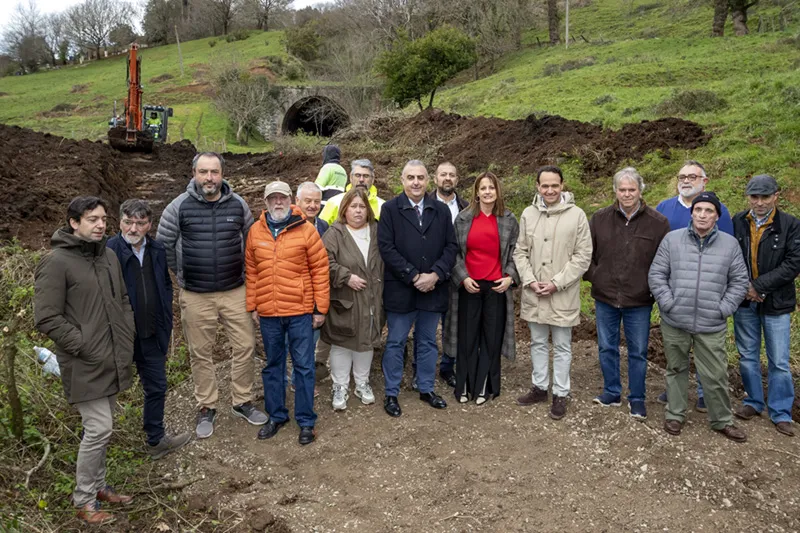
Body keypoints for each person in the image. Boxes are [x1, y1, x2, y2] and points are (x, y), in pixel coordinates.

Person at [34, 196, 136, 525]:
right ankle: (84, 499)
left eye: (103, 219)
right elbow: (46, 317)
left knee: (104, 428)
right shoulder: (57, 261)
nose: (101, 225)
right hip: (83, 361)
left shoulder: (107, 256)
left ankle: (99, 486)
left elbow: (121, 300)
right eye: (92, 219)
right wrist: (82, 344)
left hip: (111, 356)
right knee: (99, 427)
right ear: (74, 223)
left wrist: (126, 333)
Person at [157, 152, 268, 440]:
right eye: (203, 172)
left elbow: (250, 242)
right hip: (196, 294)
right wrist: (182, 272)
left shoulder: (238, 204)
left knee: (245, 346)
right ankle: (207, 405)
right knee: (200, 352)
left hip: (235, 290)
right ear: (194, 173)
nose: (209, 178)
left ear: (222, 174)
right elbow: (164, 245)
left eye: (214, 172)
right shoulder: (178, 208)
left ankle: (242, 401)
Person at [648, 192, 749, 442]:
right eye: (698, 210)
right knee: (676, 369)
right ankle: (675, 414)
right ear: (692, 213)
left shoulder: (729, 244)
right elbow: (657, 274)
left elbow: (739, 282)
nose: (703, 215)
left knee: (715, 374)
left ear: (717, 216)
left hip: (711, 323)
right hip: (675, 321)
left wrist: (723, 308)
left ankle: (722, 420)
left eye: (709, 211)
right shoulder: (672, 240)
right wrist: (668, 303)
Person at [245, 181, 329, 445]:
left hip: (300, 312)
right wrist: (253, 305)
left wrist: (320, 308)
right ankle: (277, 415)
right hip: (269, 313)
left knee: (303, 367)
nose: (278, 202)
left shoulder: (305, 230)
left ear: (290, 200)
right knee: (273, 366)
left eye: (282, 198)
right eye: (273, 198)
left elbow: (320, 270)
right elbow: (251, 270)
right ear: (266, 201)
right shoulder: (255, 232)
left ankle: (306, 421)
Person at [107, 199, 191, 459]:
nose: (133, 228)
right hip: (119, 336)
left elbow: (165, 286)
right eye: (128, 222)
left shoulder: (156, 249)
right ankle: (98, 444)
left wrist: (165, 321)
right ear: (120, 221)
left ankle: (155, 441)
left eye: (140, 223)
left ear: (149, 225)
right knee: (106, 389)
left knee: (156, 386)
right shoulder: (108, 252)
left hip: (151, 333)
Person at [584, 168, 670, 420]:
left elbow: (663, 262)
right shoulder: (600, 219)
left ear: (641, 191)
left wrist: (651, 288)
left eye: (632, 190)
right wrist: (595, 276)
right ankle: (611, 392)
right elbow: (586, 254)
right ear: (615, 191)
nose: (627, 194)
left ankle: (637, 398)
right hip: (605, 297)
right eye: (622, 189)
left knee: (638, 351)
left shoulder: (658, 223)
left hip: (639, 300)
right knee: (607, 347)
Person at [378, 160, 458, 417]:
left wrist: (435, 275)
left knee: (427, 342)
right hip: (402, 288)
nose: (415, 182)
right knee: (396, 342)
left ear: (428, 181)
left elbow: (451, 247)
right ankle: (391, 392)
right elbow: (386, 248)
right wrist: (413, 276)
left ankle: (425, 388)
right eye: (410, 177)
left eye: (420, 178)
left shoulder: (441, 210)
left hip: (433, 288)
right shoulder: (390, 210)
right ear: (402, 181)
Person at [655, 160, 735, 409]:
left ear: (704, 181)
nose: (686, 180)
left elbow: (731, 254)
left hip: (709, 295)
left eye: (692, 176)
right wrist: (664, 297)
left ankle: (705, 393)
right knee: (675, 350)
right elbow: (656, 252)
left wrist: (723, 303)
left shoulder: (720, 212)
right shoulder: (664, 208)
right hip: (675, 294)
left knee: (707, 349)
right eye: (682, 176)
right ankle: (674, 392)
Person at [513, 166, 592, 420]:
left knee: (561, 345)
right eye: (545, 185)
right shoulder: (528, 214)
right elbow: (520, 252)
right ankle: (539, 387)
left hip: (562, 293)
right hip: (534, 291)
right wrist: (530, 280)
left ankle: (560, 392)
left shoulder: (577, 215)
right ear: (537, 186)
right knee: (536, 341)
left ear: (562, 185)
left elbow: (583, 256)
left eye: (554, 185)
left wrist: (557, 282)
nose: (549, 190)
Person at [731, 175, 800, 437]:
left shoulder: (791, 225)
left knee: (779, 360)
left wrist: (758, 286)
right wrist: (745, 287)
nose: (759, 202)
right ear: (748, 197)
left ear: (776, 196)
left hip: (776, 303)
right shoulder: (737, 222)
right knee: (747, 355)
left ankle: (781, 412)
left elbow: (793, 264)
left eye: (765, 196)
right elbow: (730, 256)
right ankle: (753, 402)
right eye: (754, 197)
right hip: (744, 301)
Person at [444, 172, 519, 404]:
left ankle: (487, 385)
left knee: (491, 337)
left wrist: (510, 277)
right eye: (483, 188)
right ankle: (465, 386)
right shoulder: (464, 219)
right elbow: (454, 252)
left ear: (498, 191)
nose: (487, 192)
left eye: (491, 188)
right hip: (469, 286)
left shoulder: (508, 219)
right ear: (476, 191)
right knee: (467, 338)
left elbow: (517, 252)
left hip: (497, 286)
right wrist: (463, 277)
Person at [321, 188, 384, 410]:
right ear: (344, 209)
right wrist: (345, 277)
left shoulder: (377, 230)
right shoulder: (335, 233)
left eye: (361, 206)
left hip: (373, 296)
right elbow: (324, 261)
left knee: (366, 339)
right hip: (346, 298)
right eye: (353, 206)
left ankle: (362, 382)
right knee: (343, 341)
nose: (358, 211)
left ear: (368, 209)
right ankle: (340, 385)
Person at [412, 162, 470, 389]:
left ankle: (448, 366)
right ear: (434, 178)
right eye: (443, 174)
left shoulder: (466, 207)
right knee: (424, 327)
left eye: (452, 175)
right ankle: (419, 368)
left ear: (457, 179)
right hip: (430, 275)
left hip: (458, 275)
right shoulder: (422, 204)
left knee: (453, 325)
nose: (447, 178)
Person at [319, 159, 385, 225]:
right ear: (351, 177)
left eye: (366, 176)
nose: (361, 180)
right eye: (358, 175)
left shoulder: (383, 206)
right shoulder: (334, 202)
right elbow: (321, 229)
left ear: (372, 179)